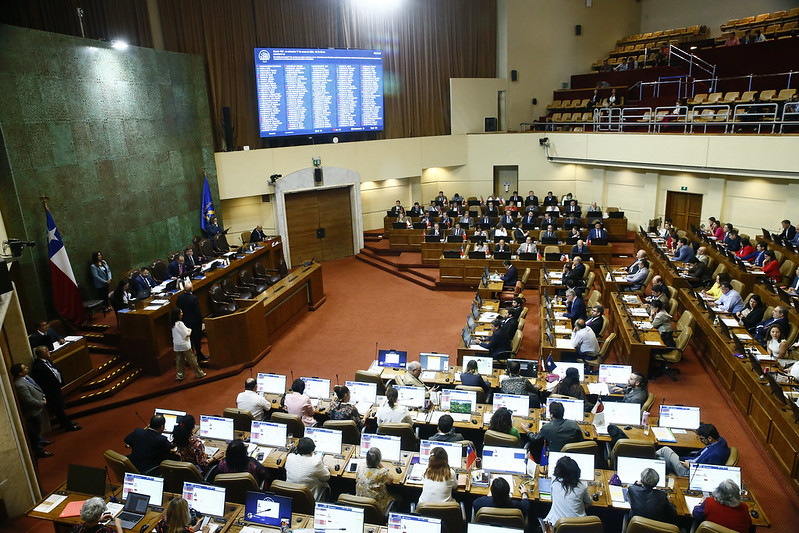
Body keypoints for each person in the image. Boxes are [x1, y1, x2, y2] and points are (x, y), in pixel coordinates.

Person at [30, 345, 81, 431]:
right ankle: (68, 426)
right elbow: (43, 382)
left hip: (56, 388)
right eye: (47, 351)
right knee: (59, 409)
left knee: (60, 407)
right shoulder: (38, 367)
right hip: (51, 392)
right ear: (42, 355)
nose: (49, 352)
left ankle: (64, 423)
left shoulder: (47, 361)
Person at [656, 423, 730, 475]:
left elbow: (707, 472)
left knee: (665, 450)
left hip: (688, 472)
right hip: (690, 462)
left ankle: (647, 458)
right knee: (661, 459)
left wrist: (691, 466)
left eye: (702, 438)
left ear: (710, 438)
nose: (701, 441)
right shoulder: (719, 440)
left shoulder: (716, 454)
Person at [11, 363, 51, 458]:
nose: (27, 368)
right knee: (34, 431)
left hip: (38, 407)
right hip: (32, 412)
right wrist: (41, 402)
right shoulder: (19, 385)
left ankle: (41, 440)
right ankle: (40, 451)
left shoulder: (27, 377)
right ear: (20, 373)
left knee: (37, 430)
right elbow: (28, 400)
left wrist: (43, 396)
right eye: (24, 368)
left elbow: (37, 387)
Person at [544, 456, 592, 526]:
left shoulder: (554, 482)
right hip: (579, 527)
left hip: (557, 526)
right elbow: (589, 502)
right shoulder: (582, 486)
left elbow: (553, 499)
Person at [356, 447, 394, 513]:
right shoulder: (382, 472)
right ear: (379, 460)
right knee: (399, 497)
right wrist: (381, 465)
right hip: (377, 509)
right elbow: (390, 481)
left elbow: (356, 480)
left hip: (360, 504)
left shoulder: (360, 467)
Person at [176, 281, 207, 362]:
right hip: (195, 323)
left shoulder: (179, 297)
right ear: (191, 289)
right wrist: (201, 321)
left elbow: (179, 308)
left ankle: (192, 358)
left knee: (189, 341)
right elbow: (197, 312)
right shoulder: (194, 298)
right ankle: (200, 356)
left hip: (185, 321)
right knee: (196, 340)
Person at [171, 308, 205, 381]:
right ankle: (199, 373)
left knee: (179, 361)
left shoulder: (173, 324)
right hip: (184, 345)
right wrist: (190, 330)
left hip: (177, 345)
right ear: (178, 315)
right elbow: (186, 334)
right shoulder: (180, 324)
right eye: (181, 312)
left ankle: (180, 375)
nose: (182, 313)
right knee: (192, 360)